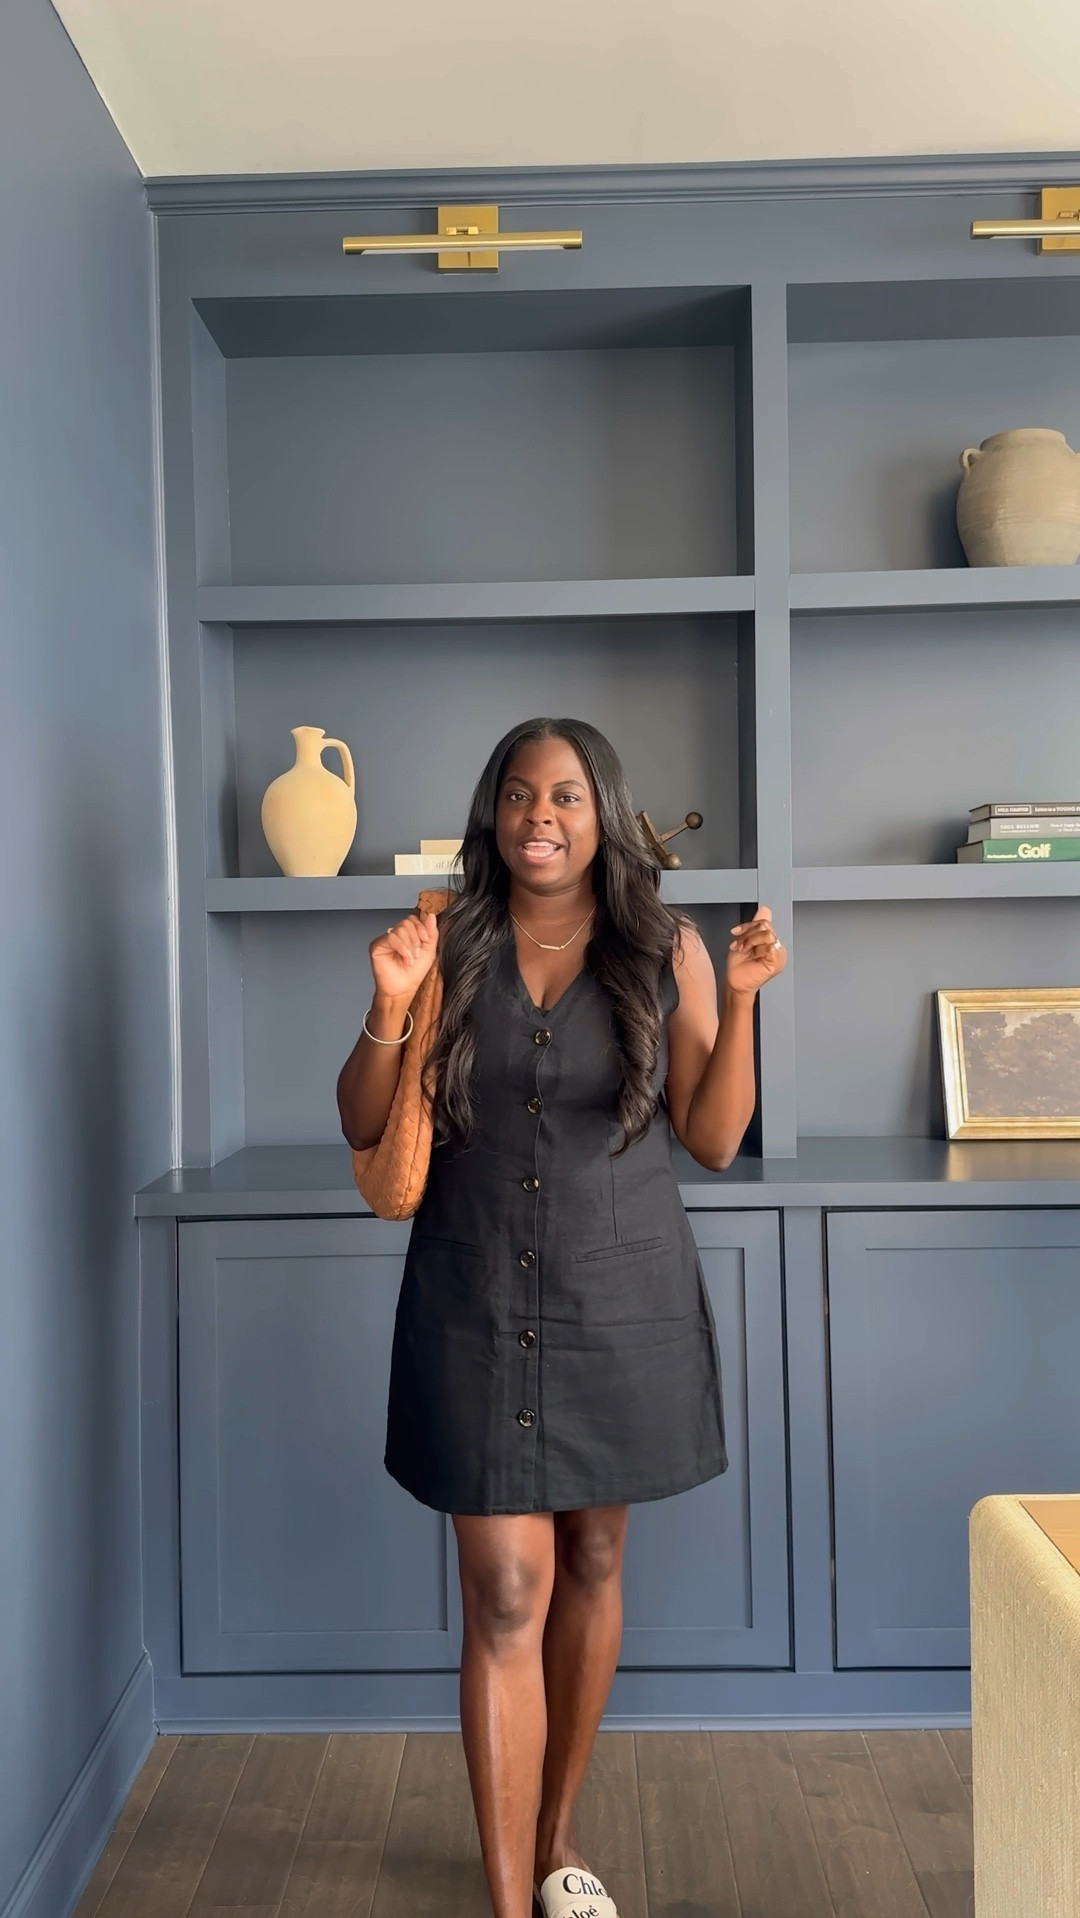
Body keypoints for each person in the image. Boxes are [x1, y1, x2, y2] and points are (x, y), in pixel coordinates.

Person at [336, 716, 786, 1918]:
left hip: (619, 1293)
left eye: (569, 795)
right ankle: (505, 1899)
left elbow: (712, 1135)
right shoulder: (443, 939)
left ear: (604, 813)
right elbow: (363, 1119)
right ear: (495, 811)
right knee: (506, 1592)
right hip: (472, 1292)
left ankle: (558, 1839)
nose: (543, 814)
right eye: (521, 793)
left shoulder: (665, 946)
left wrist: (739, 1003)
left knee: (590, 1556)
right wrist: (388, 1003)